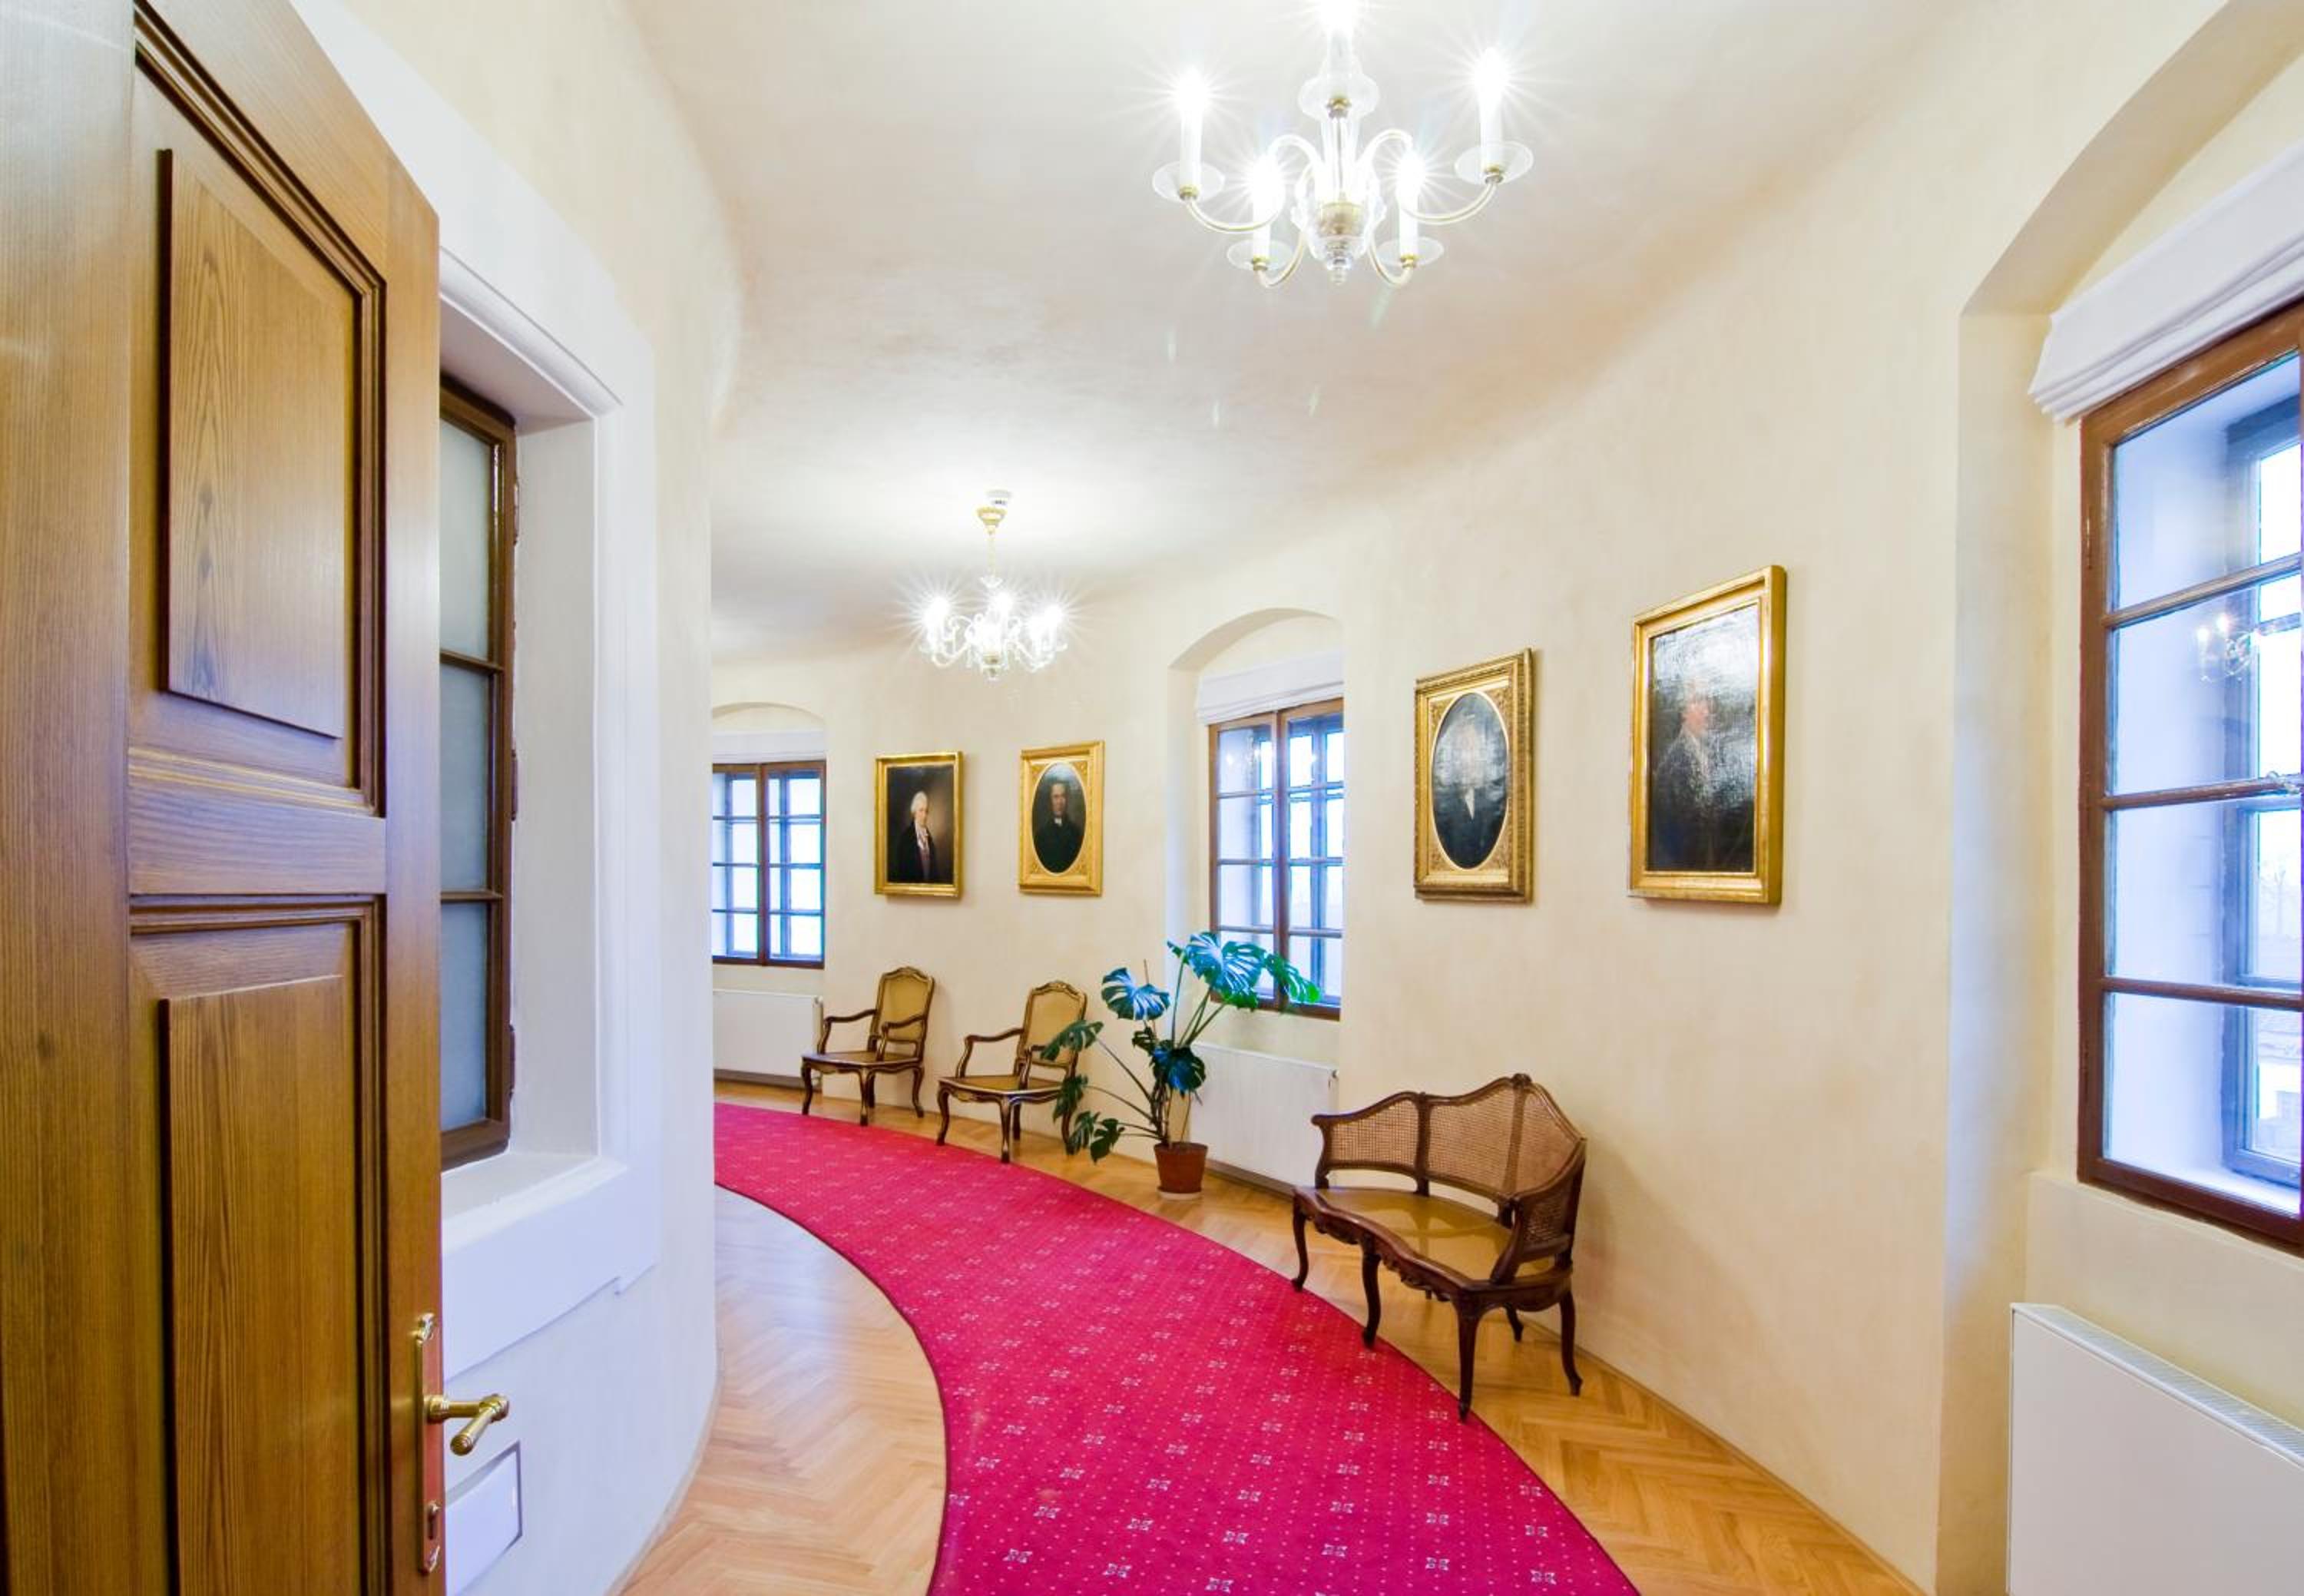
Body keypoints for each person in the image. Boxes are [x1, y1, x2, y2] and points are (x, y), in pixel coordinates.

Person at [1647, 690, 1754, 873]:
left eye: (1708, 701)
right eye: (1697, 701)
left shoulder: (1715, 755)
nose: (1707, 711)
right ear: (1682, 711)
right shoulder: (1673, 767)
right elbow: (1675, 843)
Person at [1033, 770, 1084, 873]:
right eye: (1056, 797)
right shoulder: (1041, 835)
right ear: (1050, 800)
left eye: (1063, 796)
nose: (1060, 802)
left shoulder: (1076, 833)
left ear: (1067, 799)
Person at [889, 787, 944, 883]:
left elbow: (934, 870)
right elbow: (903, 873)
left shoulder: (929, 838)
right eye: (921, 810)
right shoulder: (906, 838)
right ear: (914, 813)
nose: (925, 815)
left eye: (926, 811)